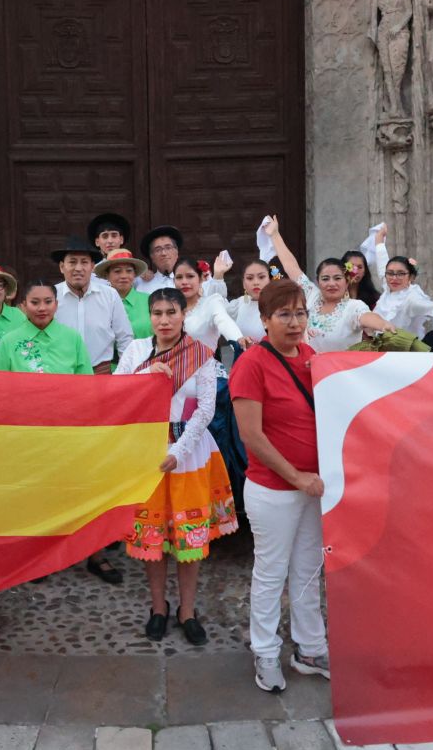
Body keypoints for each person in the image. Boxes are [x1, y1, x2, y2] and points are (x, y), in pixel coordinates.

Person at [115, 288, 236, 645]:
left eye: (171, 312)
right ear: (149, 316)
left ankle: (187, 609)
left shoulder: (200, 354)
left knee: (189, 537)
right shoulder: (137, 351)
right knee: (151, 535)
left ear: (184, 314)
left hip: (190, 453)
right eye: (157, 313)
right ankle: (158, 607)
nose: (164, 320)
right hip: (145, 453)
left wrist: (178, 452)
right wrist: (149, 373)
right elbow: (116, 392)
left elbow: (205, 410)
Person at [229, 279, 329, 692]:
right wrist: (296, 477)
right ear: (265, 319)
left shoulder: (310, 356)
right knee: (272, 571)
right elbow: (252, 436)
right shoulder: (251, 363)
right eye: (284, 314)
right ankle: (266, 653)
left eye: (300, 313)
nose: (294, 322)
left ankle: (310, 648)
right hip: (274, 488)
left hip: (313, 487)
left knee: (308, 570)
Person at [265, 217, 385, 352]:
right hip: (306, 369)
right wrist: (274, 234)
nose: (331, 283)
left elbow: (367, 318)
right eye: (325, 279)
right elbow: (291, 266)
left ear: (347, 281)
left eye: (337, 278)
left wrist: (384, 326)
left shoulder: (354, 307)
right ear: (318, 281)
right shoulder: (311, 295)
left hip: (339, 371)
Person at [52, 237, 133, 373]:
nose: (78, 268)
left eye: (84, 262)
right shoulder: (51, 296)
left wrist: (124, 374)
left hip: (102, 375)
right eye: (72, 262)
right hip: (62, 374)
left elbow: (125, 338)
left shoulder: (110, 295)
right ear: (62, 267)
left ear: (92, 266)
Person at [0, 282, 92, 375]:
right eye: (35, 303)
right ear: (24, 306)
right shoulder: (9, 342)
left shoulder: (73, 338)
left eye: (48, 302)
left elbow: (86, 382)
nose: (42, 308)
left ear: (56, 305)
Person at [371, 255, 433, 340]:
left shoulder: (411, 295)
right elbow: (381, 260)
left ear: (411, 277)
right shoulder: (387, 288)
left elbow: (420, 304)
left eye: (401, 274)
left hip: (406, 349)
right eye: (390, 273)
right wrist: (380, 243)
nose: (394, 278)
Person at [97, 249, 152, 340]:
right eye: (117, 271)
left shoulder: (149, 300)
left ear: (134, 274)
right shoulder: (100, 303)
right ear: (107, 275)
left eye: (129, 271)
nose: (123, 276)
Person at [228, 260, 273, 347]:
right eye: (250, 278)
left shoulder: (280, 305)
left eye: (261, 277)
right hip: (242, 358)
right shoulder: (239, 303)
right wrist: (218, 275)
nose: (256, 282)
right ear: (243, 283)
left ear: (270, 280)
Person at [137, 226, 184, 295]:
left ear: (176, 252)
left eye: (168, 248)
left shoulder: (191, 280)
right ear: (152, 257)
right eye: (158, 250)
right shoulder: (143, 286)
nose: (163, 253)